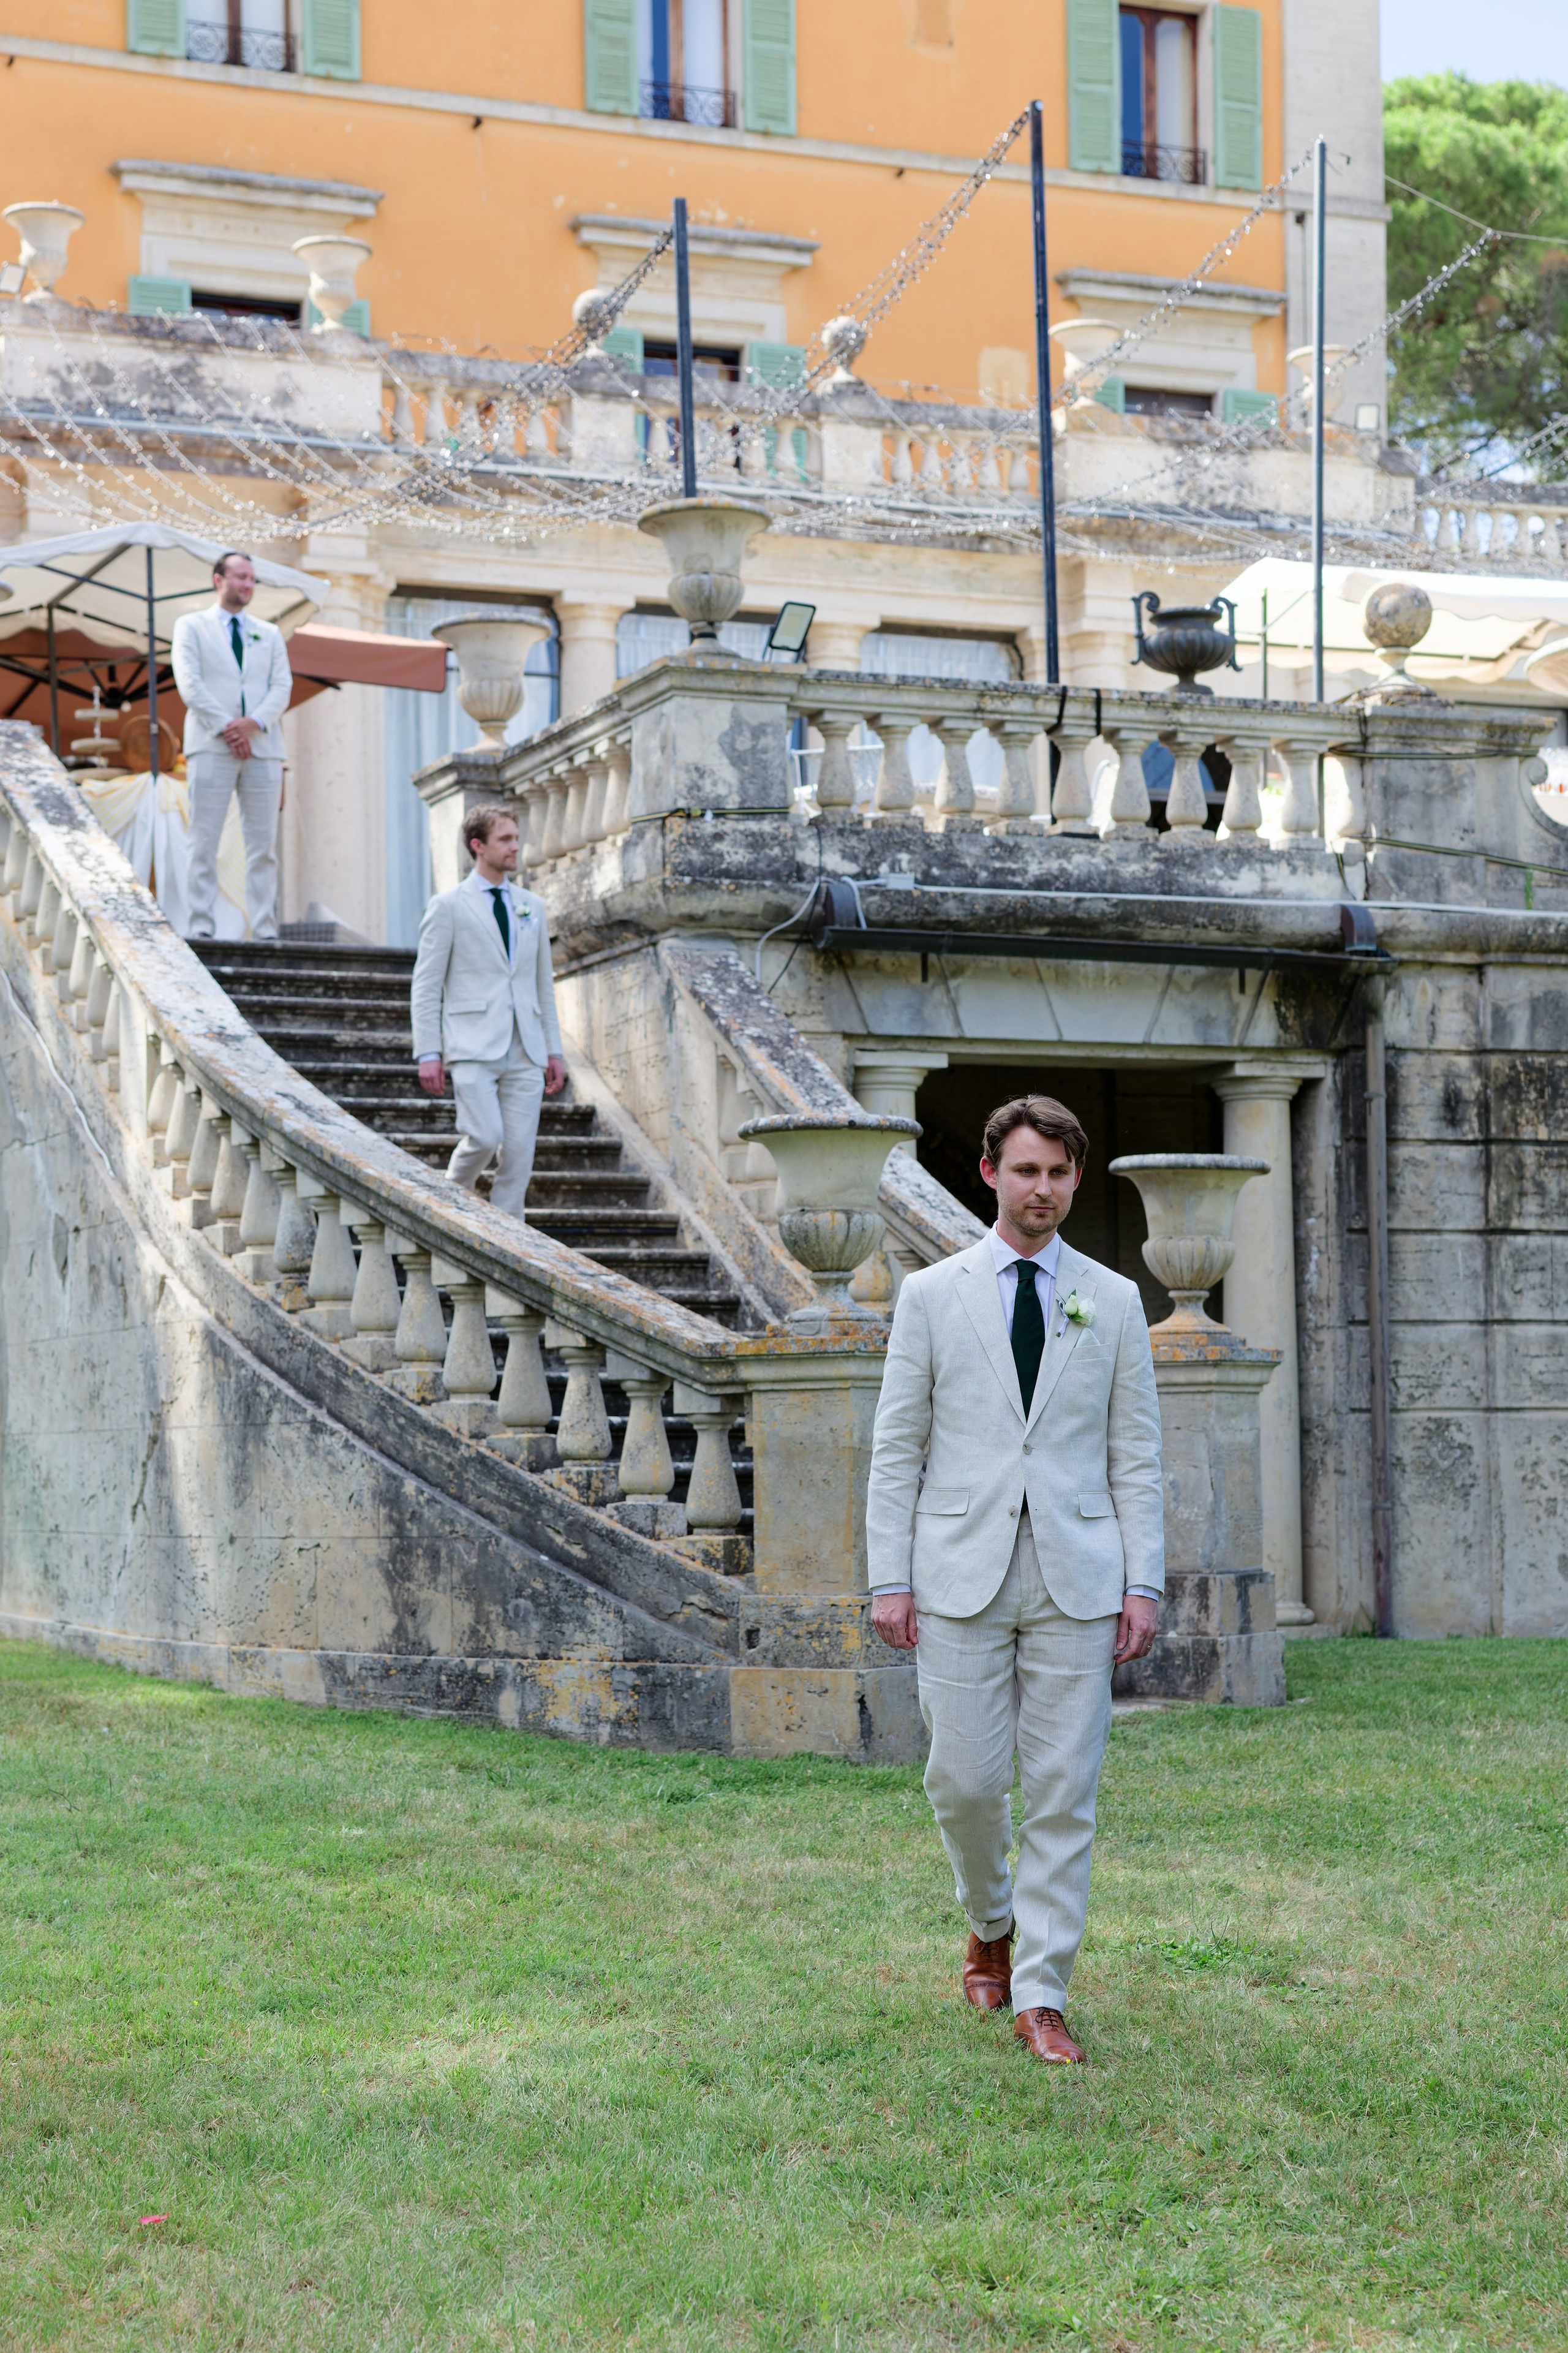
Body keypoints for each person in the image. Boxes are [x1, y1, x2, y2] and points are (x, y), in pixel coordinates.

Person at [865, 1095, 1164, 2066]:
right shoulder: (931, 1295)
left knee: (1065, 1789)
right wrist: (889, 1577)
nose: (1044, 1188)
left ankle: (1042, 1991)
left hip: (1081, 1575)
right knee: (962, 1781)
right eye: (1027, 1170)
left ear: (1076, 1179)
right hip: (957, 1572)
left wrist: (1145, 1583)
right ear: (991, 1172)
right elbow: (897, 1449)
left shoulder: (1113, 1299)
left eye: (1059, 1172)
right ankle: (990, 1920)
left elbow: (1135, 1455)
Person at [410, 804, 566, 1219]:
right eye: (505, 839)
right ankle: (446, 1209)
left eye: (516, 837)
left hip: (526, 1047)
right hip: (472, 1043)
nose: (516, 846)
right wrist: (429, 1051)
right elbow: (426, 985)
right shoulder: (448, 906)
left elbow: (542, 985)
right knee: (483, 1137)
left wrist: (554, 1050)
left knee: (519, 1154)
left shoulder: (532, 905)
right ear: (478, 845)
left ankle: (509, 1242)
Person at [170, 551, 293, 942]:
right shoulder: (191, 626)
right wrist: (228, 728)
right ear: (219, 580)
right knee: (203, 840)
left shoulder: (269, 633)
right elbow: (189, 683)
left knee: (263, 846)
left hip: (264, 747)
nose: (248, 585)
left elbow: (282, 686)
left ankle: (265, 929)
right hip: (210, 745)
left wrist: (253, 723)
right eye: (241, 577)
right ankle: (201, 926)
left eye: (252, 579)